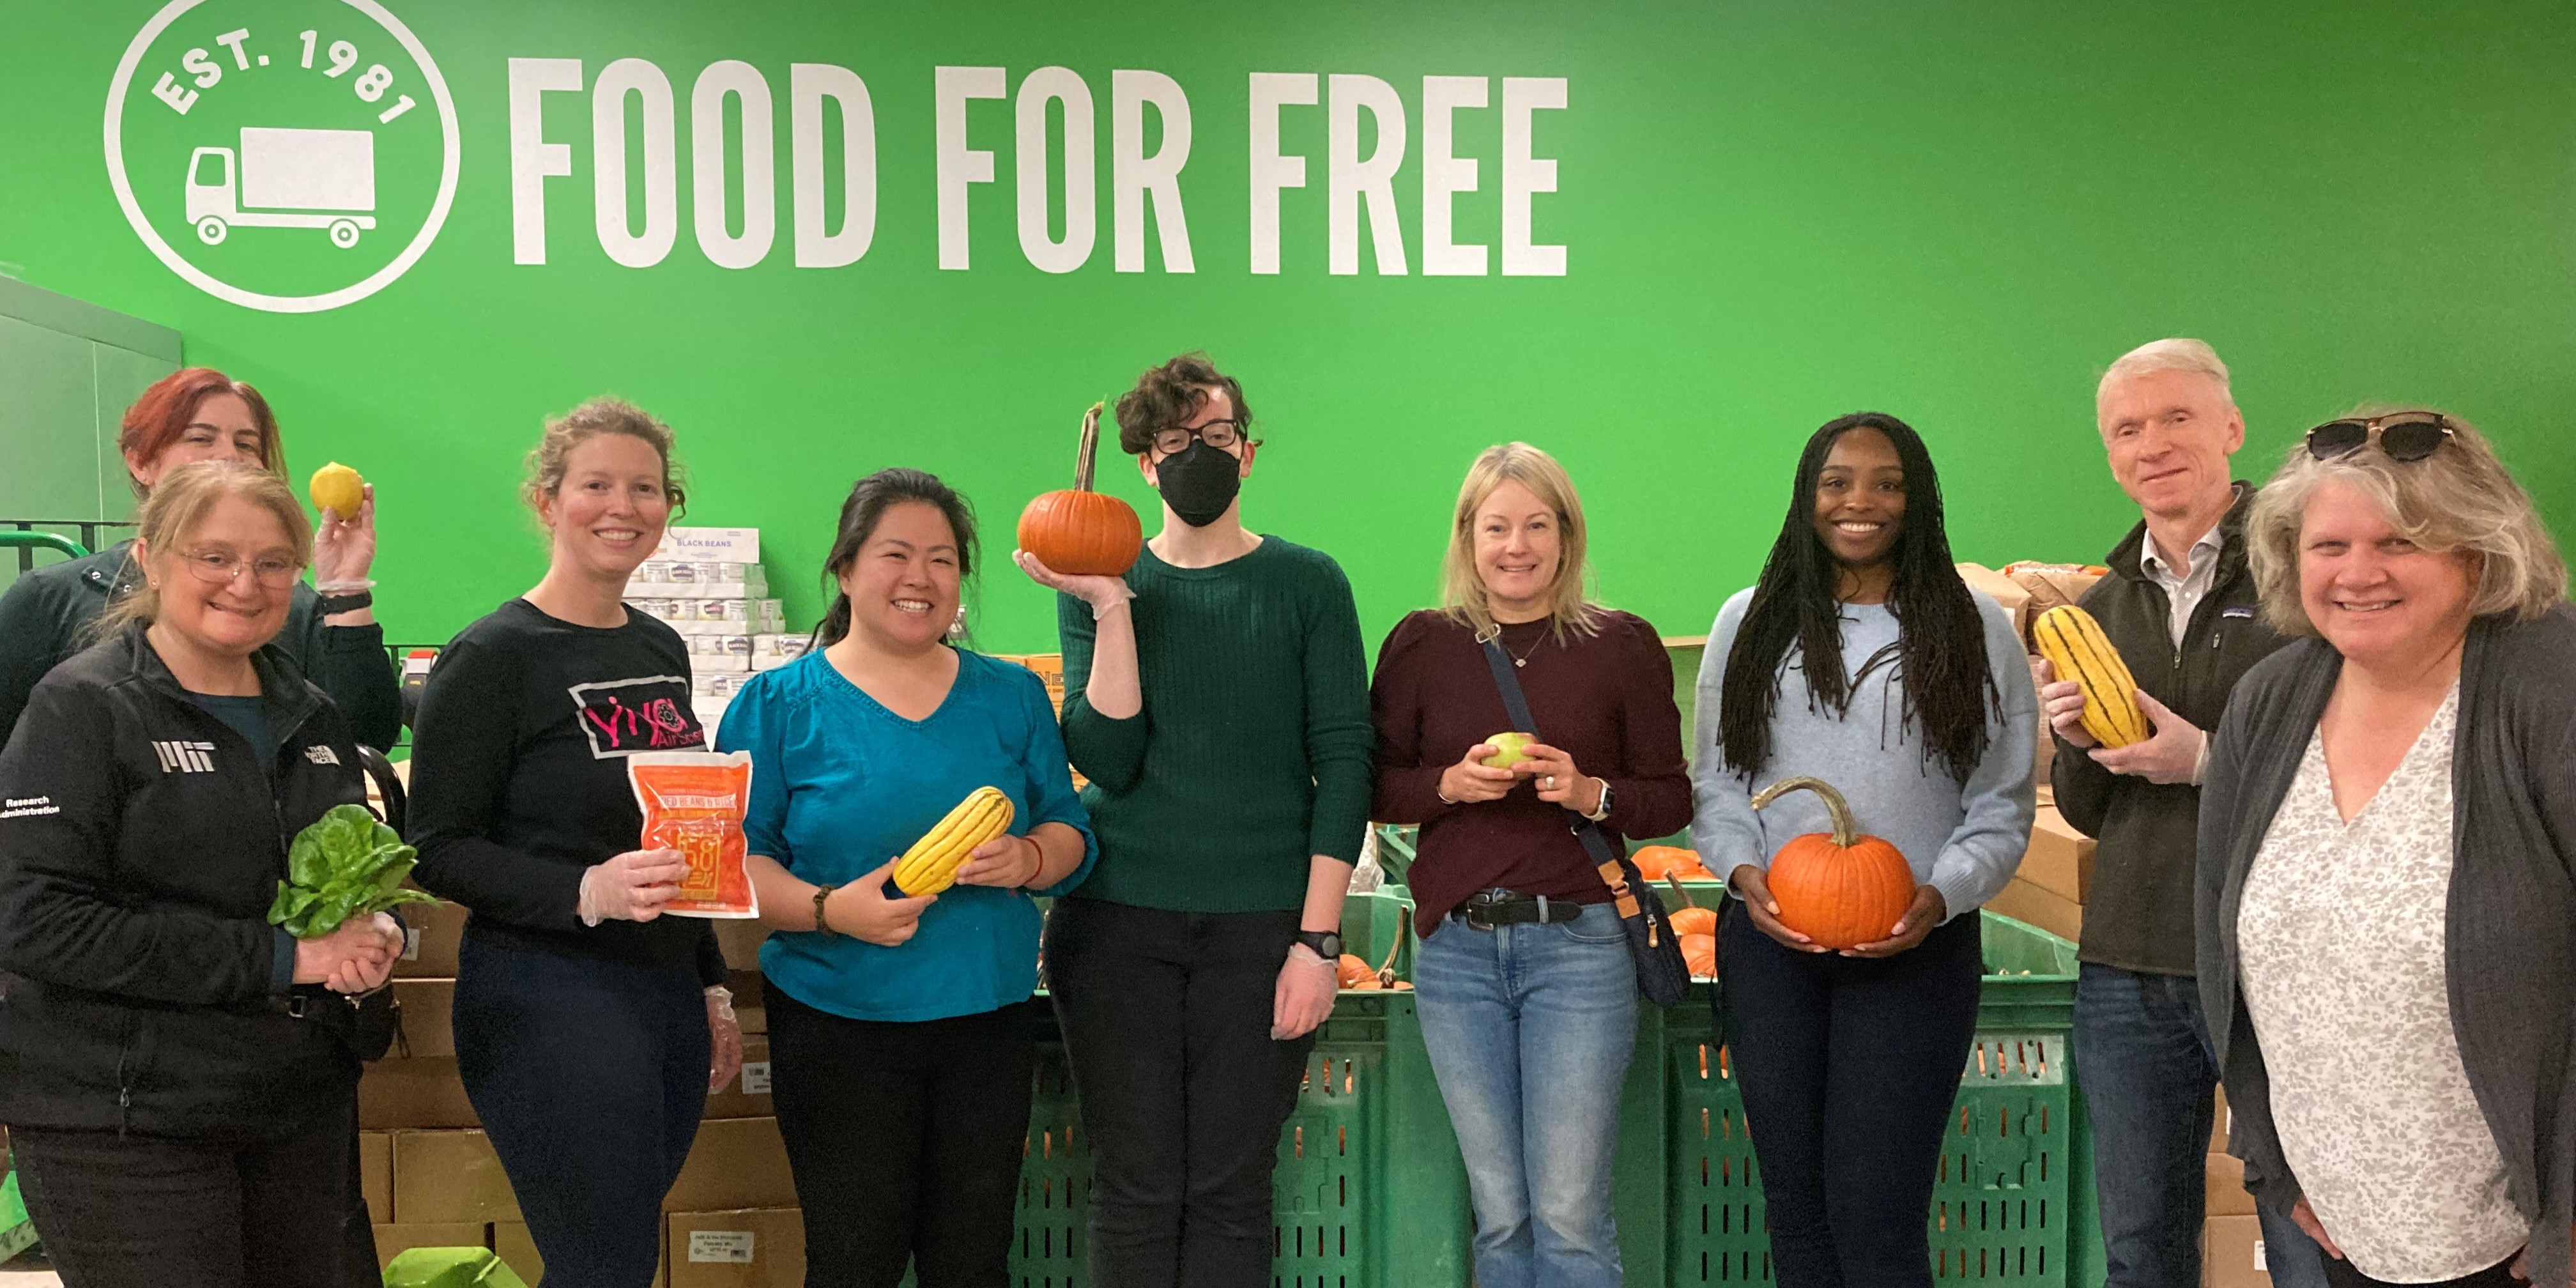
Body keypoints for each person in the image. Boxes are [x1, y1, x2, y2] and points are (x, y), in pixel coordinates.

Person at [1013, 352, 1373, 1288]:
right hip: (1117, 924)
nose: (1200, 456)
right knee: (1133, 1190)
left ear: (1248, 453)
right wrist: (1111, 608)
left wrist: (1318, 942)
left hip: (1262, 933)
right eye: (1178, 441)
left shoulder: (1309, 585)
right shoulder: (1098, 576)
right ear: (1144, 462)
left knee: (1229, 1190)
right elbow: (1113, 756)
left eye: (1218, 437)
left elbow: (1343, 763)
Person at [0, 461, 403, 1288]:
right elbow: (37, 920)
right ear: (149, 558)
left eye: (271, 563)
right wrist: (287, 959)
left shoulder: (311, 714)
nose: (244, 584)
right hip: (126, 1120)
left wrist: (371, 938)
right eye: (212, 557)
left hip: (291, 1106)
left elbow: (324, 886)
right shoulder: (83, 708)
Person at [2199, 411, 2576, 1288]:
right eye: (2329, 546)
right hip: (2348, 1229)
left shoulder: (2548, 694)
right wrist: (2271, 1158)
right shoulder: (2272, 700)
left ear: (2475, 554)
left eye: (2400, 542)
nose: (2358, 574)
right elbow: (2222, 942)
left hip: (2526, 1244)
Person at [717, 468, 1095, 1287]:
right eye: (895, 554)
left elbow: (1071, 827)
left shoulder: (1013, 695)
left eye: (944, 559)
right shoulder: (777, 705)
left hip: (985, 1017)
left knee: (972, 1259)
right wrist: (827, 909)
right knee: (855, 1259)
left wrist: (1030, 858)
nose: (920, 578)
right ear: (846, 569)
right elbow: (737, 864)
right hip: (835, 1021)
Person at [1692, 411, 2035, 1287]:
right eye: (1837, 482)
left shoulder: (1976, 627)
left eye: (1887, 483)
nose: (1861, 502)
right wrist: (1742, 875)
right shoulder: (1751, 622)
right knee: (1797, 1211)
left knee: (1877, 1213)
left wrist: (1942, 895)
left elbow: (2000, 803)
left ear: (1916, 500)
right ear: (1808, 497)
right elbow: (1720, 783)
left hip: (1916, 947)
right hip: (1772, 949)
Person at [406, 398, 742, 1288]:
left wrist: (709, 982)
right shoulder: (492, 657)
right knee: (606, 1263)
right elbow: (436, 846)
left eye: (645, 488)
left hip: (663, 991)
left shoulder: (660, 646)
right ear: (548, 501)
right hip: (547, 993)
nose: (622, 506)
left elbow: (678, 833)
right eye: (596, 485)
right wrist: (583, 889)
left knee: (615, 1258)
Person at [2038, 338, 2330, 1287]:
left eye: (2177, 418)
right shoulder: (2101, 603)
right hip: (2128, 962)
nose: (2152, 444)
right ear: (2111, 454)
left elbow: (2349, 776)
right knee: (2141, 1248)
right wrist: (2076, 748)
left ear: (2232, 431)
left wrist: (2202, 759)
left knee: (2306, 1242)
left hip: (2274, 963)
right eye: (2128, 429)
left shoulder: (2308, 581)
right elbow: (2094, 814)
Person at [1368, 442, 1690, 1288]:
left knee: (1571, 1216)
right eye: (1497, 526)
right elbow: (1374, 783)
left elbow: (1670, 798)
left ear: (1567, 535)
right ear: (1468, 538)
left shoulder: (1620, 645)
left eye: (1537, 525)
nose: (1517, 546)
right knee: (1501, 1213)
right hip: (1457, 955)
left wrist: (1588, 792)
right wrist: (1450, 783)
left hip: (1579, 949)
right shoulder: (1422, 645)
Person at [0, 366, 398, 751]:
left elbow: (362, 741)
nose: (228, 456)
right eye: (200, 439)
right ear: (141, 462)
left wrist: (346, 591)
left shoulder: (286, 603)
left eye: (246, 444)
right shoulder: (48, 602)